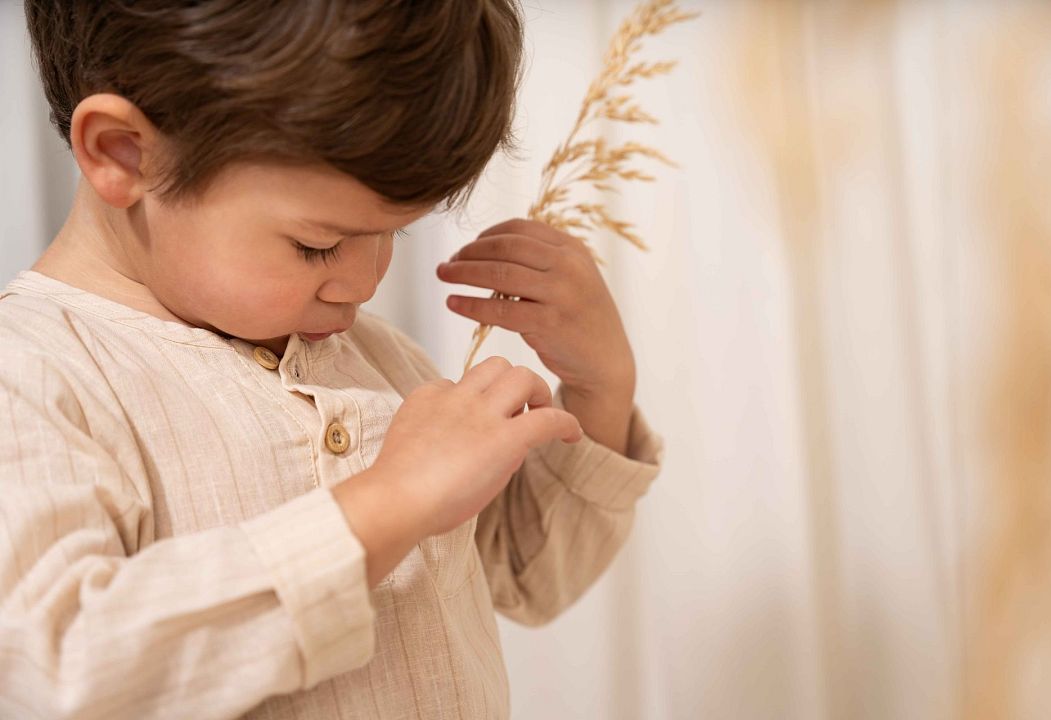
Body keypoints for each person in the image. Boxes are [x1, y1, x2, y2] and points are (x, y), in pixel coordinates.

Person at [0, 1, 664, 718]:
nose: (364, 281)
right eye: (317, 244)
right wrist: (384, 506)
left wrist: (599, 387)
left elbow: (530, 579)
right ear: (123, 153)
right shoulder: (33, 375)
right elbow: (55, 672)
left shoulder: (377, 361)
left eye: (394, 236)